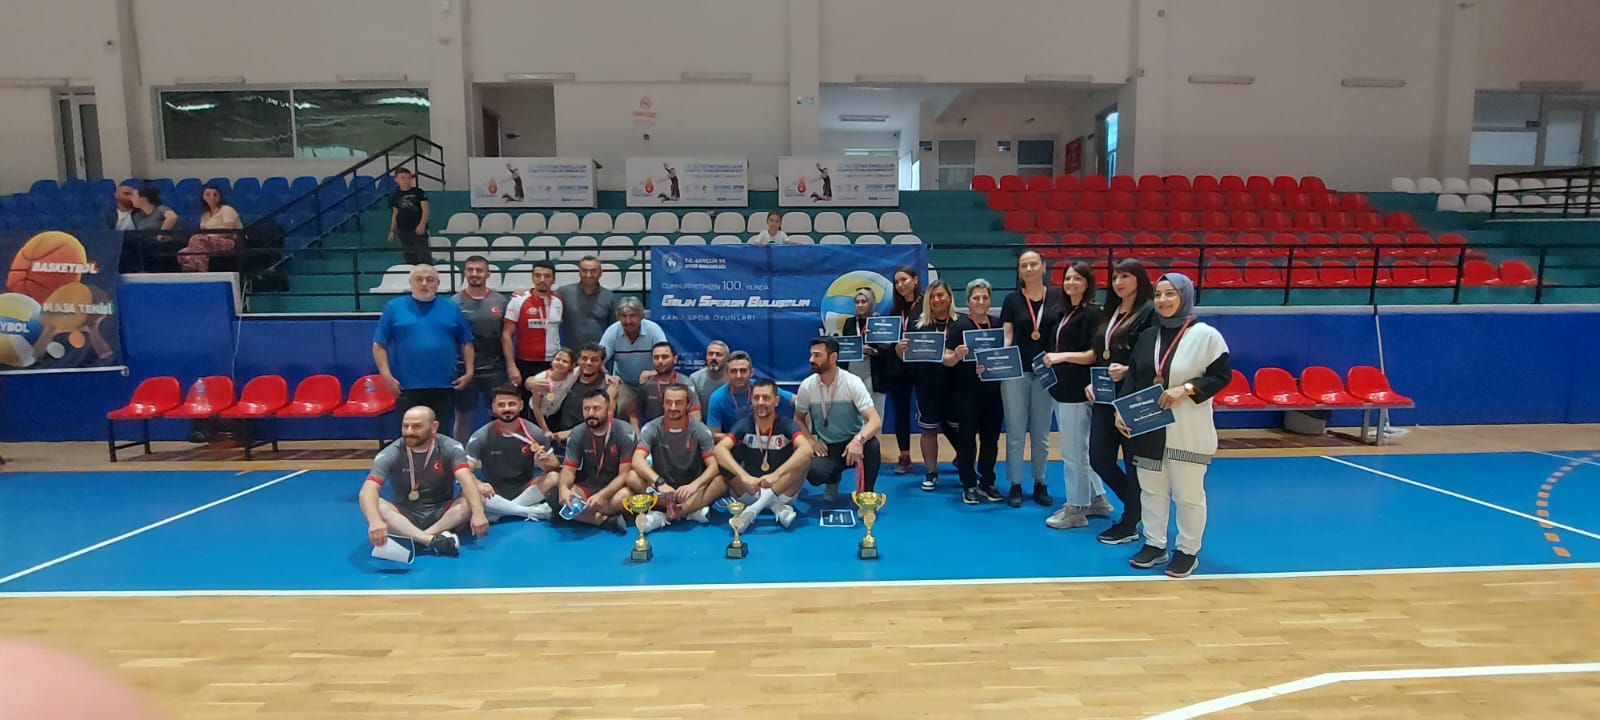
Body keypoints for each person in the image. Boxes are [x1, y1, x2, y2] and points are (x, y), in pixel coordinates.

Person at [1114, 273, 1230, 579]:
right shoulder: (1148, 336)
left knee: (1188, 495)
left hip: (1186, 428)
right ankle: (1155, 543)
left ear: (1185, 296)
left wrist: (1186, 389)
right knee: (1151, 491)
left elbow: (1221, 376)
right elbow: (1134, 378)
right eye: (1158, 295)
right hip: (1149, 427)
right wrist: (1120, 411)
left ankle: (1187, 550)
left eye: (1170, 294)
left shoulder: (1206, 336)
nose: (1163, 301)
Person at [1084, 259, 1156, 545]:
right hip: (1105, 395)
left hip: (1133, 395)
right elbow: (1102, 352)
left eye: (1125, 276)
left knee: (1132, 461)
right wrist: (1093, 381)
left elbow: (1153, 355)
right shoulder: (1111, 311)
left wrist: (1128, 370)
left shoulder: (1149, 311)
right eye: (1115, 277)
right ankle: (1140, 507)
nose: (1118, 282)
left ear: (1139, 279)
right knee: (1098, 458)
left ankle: (1130, 521)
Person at [358, 406, 490, 557]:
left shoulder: (450, 446)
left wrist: (478, 513)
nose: (409, 431)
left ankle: (419, 538)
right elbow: (368, 490)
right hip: (405, 515)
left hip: (442, 512)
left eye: (416, 426)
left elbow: (466, 478)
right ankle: (431, 540)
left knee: (477, 497)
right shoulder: (391, 451)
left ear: (433, 427)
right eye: (405, 426)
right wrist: (375, 521)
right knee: (376, 504)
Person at [1040, 261, 1113, 528]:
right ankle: (1097, 498)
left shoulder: (1092, 314)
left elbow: (1093, 354)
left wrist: (1061, 357)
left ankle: (1076, 509)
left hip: (1076, 390)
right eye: (1068, 278)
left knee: (1073, 453)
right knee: (1079, 450)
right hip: (1061, 388)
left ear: (1087, 283)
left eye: (1077, 279)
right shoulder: (1064, 312)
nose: (1071, 283)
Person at [373, 264, 475, 427]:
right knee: (411, 434)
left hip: (445, 384)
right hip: (406, 385)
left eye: (430, 279)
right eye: (419, 279)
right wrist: (386, 376)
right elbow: (379, 345)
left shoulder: (451, 308)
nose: (424, 284)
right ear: (411, 282)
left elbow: (466, 343)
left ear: (438, 283)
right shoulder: (394, 307)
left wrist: (469, 372)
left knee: (441, 433)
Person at [999, 250, 1061, 508]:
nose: (1028, 269)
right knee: (1015, 431)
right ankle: (1015, 483)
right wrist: (997, 360)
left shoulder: (1058, 297)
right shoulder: (1012, 299)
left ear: (1044, 267)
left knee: (1041, 432)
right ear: (1019, 270)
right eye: (1023, 265)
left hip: (1047, 373)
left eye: (1033, 264)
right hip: (1017, 372)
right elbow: (1007, 336)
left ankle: (1039, 481)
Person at [717, 379, 814, 532]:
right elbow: (719, 449)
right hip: (751, 489)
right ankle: (776, 507)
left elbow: (806, 449)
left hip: (782, 490)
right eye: (756, 398)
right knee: (723, 459)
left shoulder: (786, 424)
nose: (761, 402)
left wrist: (777, 474)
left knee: (805, 459)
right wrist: (743, 476)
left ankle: (753, 510)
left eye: (766, 398)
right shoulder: (743, 424)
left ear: (776, 401)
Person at [795, 337, 884, 502]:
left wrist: (858, 441)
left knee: (872, 446)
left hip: (852, 442)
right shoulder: (807, 386)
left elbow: (875, 421)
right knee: (815, 473)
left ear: (833, 357)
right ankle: (832, 479)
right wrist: (811, 441)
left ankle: (866, 496)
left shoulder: (852, 382)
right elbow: (798, 419)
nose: (811, 360)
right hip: (827, 447)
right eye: (811, 355)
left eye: (817, 355)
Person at [944, 279, 1005, 504]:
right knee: (967, 440)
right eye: (976, 298)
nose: (981, 301)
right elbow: (945, 359)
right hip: (966, 392)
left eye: (985, 297)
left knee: (991, 440)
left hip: (993, 392)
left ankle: (987, 481)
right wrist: (956, 355)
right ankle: (969, 483)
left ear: (990, 300)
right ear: (968, 301)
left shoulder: (997, 325)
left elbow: (1006, 355)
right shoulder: (959, 325)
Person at [628, 383, 722, 529]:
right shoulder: (652, 427)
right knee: (632, 477)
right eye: (668, 402)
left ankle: (673, 513)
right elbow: (637, 460)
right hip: (662, 489)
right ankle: (690, 510)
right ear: (663, 404)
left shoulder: (700, 430)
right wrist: (659, 482)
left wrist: (694, 485)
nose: (673, 407)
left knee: (721, 480)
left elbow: (714, 465)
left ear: (688, 405)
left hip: (691, 489)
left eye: (678, 403)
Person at [465, 387, 560, 522]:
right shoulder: (481, 436)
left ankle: (500, 512)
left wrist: (544, 464)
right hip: (492, 490)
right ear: (494, 408)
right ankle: (526, 511)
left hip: (524, 488)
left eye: (511, 404)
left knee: (554, 477)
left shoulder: (534, 432)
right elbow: (464, 471)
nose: (507, 409)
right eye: (501, 405)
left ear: (521, 405)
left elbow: (555, 465)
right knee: (468, 488)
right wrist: (479, 484)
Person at [901, 278, 959, 491]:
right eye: (932, 296)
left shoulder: (961, 323)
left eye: (940, 295)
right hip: (927, 385)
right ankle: (931, 472)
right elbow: (905, 354)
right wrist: (900, 349)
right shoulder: (919, 325)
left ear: (949, 297)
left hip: (956, 386)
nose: (936, 299)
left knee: (961, 430)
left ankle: (967, 469)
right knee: (928, 429)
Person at [557, 388, 638, 532]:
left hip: (615, 488)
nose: (591, 413)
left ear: (608, 409)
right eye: (586, 409)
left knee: (625, 497)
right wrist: (563, 489)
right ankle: (603, 520)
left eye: (596, 408)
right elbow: (568, 470)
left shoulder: (625, 432)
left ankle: (580, 515)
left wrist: (602, 495)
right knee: (558, 495)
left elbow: (624, 475)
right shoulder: (577, 433)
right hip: (588, 484)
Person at [453, 256, 511, 438]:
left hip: (495, 368)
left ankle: (498, 450)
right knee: (462, 415)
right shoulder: (454, 302)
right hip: (463, 369)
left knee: (499, 414)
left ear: (488, 274)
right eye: (470, 270)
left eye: (479, 270)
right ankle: (460, 452)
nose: (474, 274)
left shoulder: (501, 301)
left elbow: (506, 335)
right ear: (465, 273)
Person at [877, 267, 922, 475]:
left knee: (934, 411)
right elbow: (890, 339)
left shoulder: (926, 305)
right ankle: (904, 455)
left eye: (904, 280)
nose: (900, 285)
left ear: (915, 280)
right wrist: (885, 344)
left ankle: (960, 453)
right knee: (901, 412)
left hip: (922, 366)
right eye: (896, 282)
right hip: (898, 367)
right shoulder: (895, 310)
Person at [503, 260, 564, 392]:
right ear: (532, 277)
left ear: (553, 279)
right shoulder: (518, 300)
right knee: (525, 402)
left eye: (547, 276)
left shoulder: (559, 301)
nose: (542, 280)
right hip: (525, 362)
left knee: (551, 401)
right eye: (537, 275)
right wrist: (511, 366)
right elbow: (506, 335)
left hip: (552, 362)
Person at [598, 296, 667, 413]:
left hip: (651, 381)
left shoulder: (653, 329)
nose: (628, 321)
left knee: (658, 406)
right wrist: (606, 374)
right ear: (618, 317)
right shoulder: (612, 331)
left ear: (641, 316)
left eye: (632, 316)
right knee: (623, 405)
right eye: (624, 316)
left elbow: (666, 357)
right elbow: (598, 359)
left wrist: (653, 372)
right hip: (623, 383)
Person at [705, 350, 796, 433]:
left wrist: (800, 422)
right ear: (727, 373)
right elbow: (714, 434)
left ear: (751, 372)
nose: (739, 376)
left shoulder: (762, 388)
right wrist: (740, 438)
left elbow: (798, 401)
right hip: (734, 442)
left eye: (743, 371)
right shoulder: (717, 397)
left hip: (768, 439)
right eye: (733, 371)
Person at [547, 343, 617, 443]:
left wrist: (571, 433)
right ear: (578, 360)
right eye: (584, 358)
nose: (588, 363)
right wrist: (530, 382)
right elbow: (537, 380)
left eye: (594, 360)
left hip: (589, 441)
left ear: (602, 363)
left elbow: (607, 420)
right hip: (558, 438)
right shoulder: (568, 377)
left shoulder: (608, 387)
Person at [840, 288, 888, 419]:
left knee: (875, 412)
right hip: (853, 370)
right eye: (857, 302)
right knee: (853, 413)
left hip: (874, 372)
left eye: (864, 302)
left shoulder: (881, 322)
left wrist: (874, 351)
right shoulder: (849, 323)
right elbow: (845, 347)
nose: (860, 305)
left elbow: (889, 351)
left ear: (871, 303)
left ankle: (874, 434)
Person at [554, 256, 617, 349]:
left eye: (593, 271)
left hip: (599, 354)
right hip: (571, 353)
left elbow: (614, 328)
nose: (588, 275)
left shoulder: (609, 297)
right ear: (579, 272)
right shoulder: (564, 293)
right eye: (584, 270)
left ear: (600, 273)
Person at [178, 183, 242, 272]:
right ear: (203, 197)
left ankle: (203, 272)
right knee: (183, 253)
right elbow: (203, 232)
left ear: (220, 197)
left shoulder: (226, 209)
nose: (212, 197)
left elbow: (229, 230)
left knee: (197, 239)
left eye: (215, 194)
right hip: (207, 242)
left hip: (229, 241)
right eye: (208, 195)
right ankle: (193, 270)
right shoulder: (205, 215)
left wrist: (210, 237)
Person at [634, 341, 701, 426]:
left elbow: (695, 415)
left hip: (680, 429)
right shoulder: (646, 382)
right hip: (654, 431)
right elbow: (634, 414)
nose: (660, 361)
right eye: (656, 357)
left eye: (664, 357)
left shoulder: (685, 382)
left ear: (675, 359)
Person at [125, 185, 181, 272]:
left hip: (163, 244)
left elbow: (172, 217)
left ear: (144, 198)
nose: (131, 199)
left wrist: (161, 234)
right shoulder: (137, 216)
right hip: (145, 245)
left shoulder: (161, 209)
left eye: (134, 196)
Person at [527, 347, 579, 436]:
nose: (560, 363)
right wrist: (546, 430)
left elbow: (586, 365)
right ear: (552, 361)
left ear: (572, 366)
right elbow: (536, 408)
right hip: (536, 415)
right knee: (539, 436)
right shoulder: (541, 379)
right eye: (557, 359)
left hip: (554, 413)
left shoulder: (573, 375)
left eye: (565, 361)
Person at [388, 167, 430, 265]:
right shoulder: (395, 195)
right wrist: (392, 230)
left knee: (424, 255)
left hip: (417, 228)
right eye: (403, 178)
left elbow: (425, 210)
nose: (406, 181)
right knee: (409, 256)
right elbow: (395, 213)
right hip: (402, 229)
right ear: (396, 179)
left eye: (408, 178)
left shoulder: (418, 192)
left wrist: (422, 225)